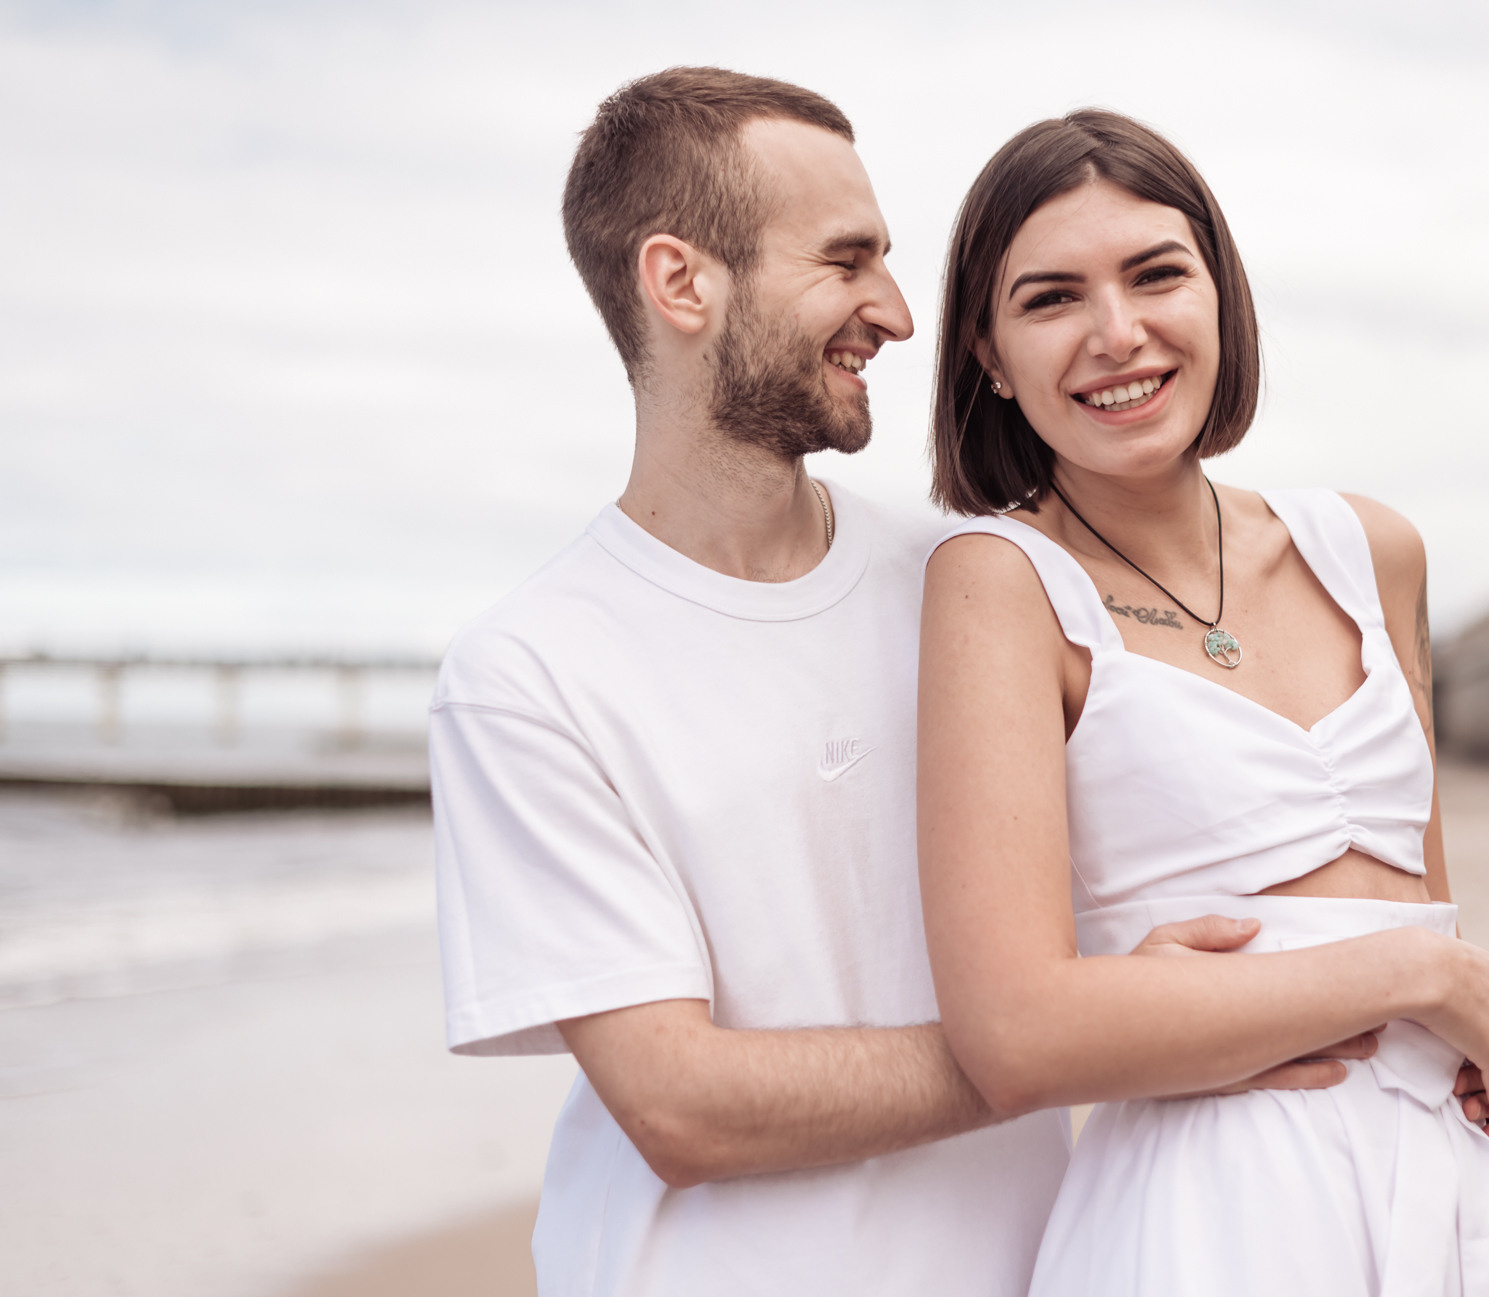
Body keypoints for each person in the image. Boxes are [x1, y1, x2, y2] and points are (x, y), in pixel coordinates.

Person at [429, 68, 1375, 1296]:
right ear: (681, 284)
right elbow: (680, 1105)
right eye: (846, 260)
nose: (896, 309)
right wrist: (1086, 1043)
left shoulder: (976, 586)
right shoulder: (529, 673)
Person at [919, 110, 1489, 1294]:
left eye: (1155, 274)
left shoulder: (1371, 548)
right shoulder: (998, 581)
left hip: (1451, 1184)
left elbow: (1427, 911)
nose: (1117, 334)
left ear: (1222, 298)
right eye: (1051, 299)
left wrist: (1474, 1007)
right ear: (988, 352)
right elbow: (1015, 1038)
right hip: (1212, 1211)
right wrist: (1411, 980)